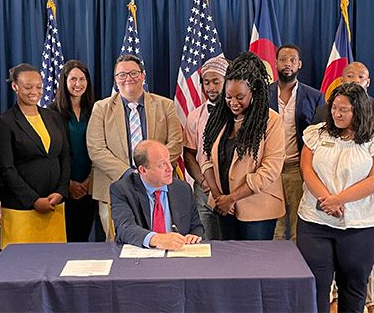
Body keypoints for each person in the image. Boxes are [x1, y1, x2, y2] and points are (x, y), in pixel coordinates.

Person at [297, 82, 374, 313]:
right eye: (334, 108)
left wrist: (339, 199)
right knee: (316, 285)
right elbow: (307, 169)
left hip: (361, 226)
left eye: (344, 110)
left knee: (352, 286)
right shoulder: (316, 133)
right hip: (315, 222)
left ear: (359, 110)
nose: (337, 114)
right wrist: (326, 199)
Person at [86, 54, 183, 241]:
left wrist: (152, 171)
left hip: (159, 186)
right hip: (114, 185)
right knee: (120, 241)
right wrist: (131, 175)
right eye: (122, 75)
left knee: (161, 240)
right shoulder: (101, 108)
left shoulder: (165, 105)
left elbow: (176, 143)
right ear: (115, 79)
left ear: (143, 76)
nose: (128, 78)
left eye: (133, 73)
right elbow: (96, 148)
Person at [200, 52, 285, 240]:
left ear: (254, 92)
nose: (233, 103)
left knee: (254, 266)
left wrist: (232, 198)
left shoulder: (271, 120)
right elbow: (205, 156)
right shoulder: (219, 117)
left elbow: (270, 169)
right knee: (228, 264)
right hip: (223, 206)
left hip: (258, 210)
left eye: (240, 97)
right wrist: (219, 197)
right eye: (228, 96)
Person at [0, 63, 70, 248]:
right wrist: (34, 200)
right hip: (21, 209)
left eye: (39, 86)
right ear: (15, 87)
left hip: (54, 207)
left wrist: (61, 191)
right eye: (28, 87)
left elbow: (65, 156)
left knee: (54, 262)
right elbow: (6, 168)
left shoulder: (53, 117)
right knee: (22, 269)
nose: (34, 91)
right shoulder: (4, 122)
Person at [268, 44, 323, 241]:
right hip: (269, 171)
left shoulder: (314, 96)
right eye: (283, 59)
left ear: (299, 64)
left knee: (297, 227)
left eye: (292, 60)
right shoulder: (263, 94)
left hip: (297, 169)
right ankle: (274, 270)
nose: (287, 64)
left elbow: (318, 135)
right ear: (275, 63)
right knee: (274, 226)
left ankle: (297, 269)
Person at [111, 140, 204, 249]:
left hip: (178, 256)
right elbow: (124, 228)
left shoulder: (183, 189)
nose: (170, 168)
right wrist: (157, 239)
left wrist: (193, 236)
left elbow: (196, 226)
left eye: (169, 161)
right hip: (140, 258)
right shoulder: (122, 189)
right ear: (143, 170)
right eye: (162, 165)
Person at [52, 59, 98, 242]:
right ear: (64, 81)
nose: (78, 84)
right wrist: (68, 183)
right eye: (73, 79)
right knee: (67, 239)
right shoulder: (52, 112)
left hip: (90, 185)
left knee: (83, 237)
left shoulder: (96, 110)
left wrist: (89, 181)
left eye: (82, 79)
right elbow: (53, 154)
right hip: (64, 186)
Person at [183, 55, 228, 240]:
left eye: (216, 82)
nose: (211, 87)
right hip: (204, 190)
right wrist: (203, 181)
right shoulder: (195, 116)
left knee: (231, 242)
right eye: (206, 82)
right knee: (206, 239)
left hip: (230, 187)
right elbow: (189, 154)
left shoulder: (238, 113)